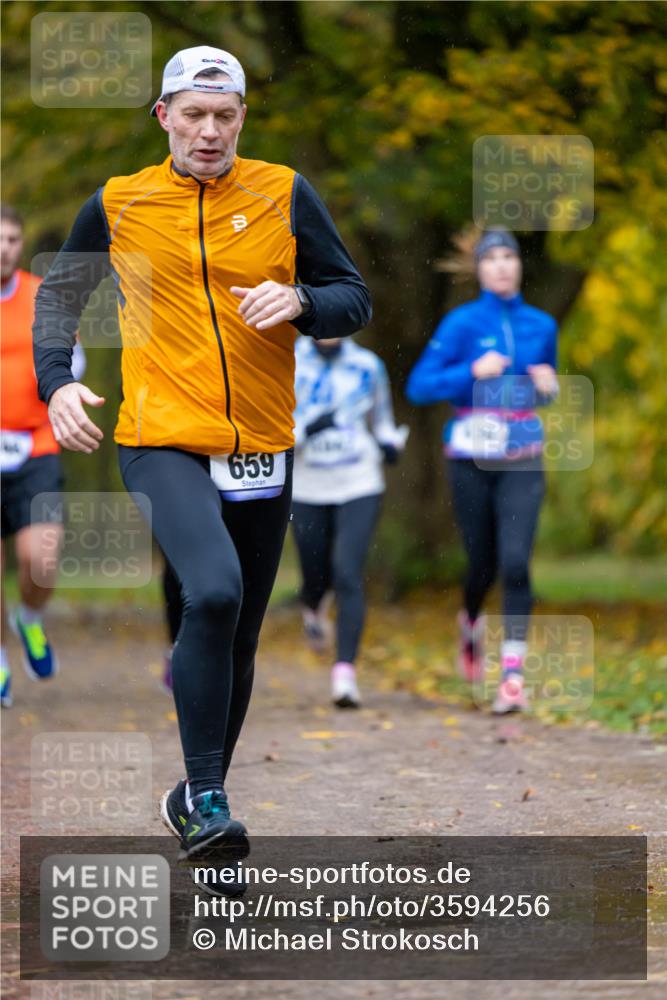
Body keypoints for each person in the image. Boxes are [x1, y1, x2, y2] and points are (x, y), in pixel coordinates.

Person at [33, 46, 371, 861]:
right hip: (161, 440)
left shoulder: (285, 191)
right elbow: (61, 293)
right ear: (164, 117)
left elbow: (351, 299)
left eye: (225, 115)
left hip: (262, 444)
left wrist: (299, 299)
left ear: (243, 118)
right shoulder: (119, 202)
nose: (209, 131)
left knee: (243, 632)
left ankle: (196, 799)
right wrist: (57, 384)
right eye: (194, 114)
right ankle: (210, 795)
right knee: (211, 595)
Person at [406, 228, 558, 714]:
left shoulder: (542, 325)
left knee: (516, 561)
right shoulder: (460, 324)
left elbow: (544, 387)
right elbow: (419, 387)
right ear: (479, 269)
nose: (501, 265)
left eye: (508, 256)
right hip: (471, 456)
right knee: (482, 564)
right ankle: (470, 622)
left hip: (522, 455)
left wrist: (549, 387)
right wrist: (472, 370)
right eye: (490, 258)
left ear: (519, 264)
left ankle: (512, 674)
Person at [291, 336, 407, 708]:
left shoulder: (367, 365)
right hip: (306, 485)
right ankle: (313, 606)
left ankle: (345, 673)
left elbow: (382, 420)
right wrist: (306, 430)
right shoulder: (287, 360)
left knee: (347, 571)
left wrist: (390, 444)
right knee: (315, 574)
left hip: (359, 481)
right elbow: (270, 428)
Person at [1, 204, 85, 708]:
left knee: (41, 558)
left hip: (36, 444)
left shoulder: (41, 297)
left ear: (20, 243)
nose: (3, 247)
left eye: (11, 238)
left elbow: (71, 362)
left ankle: (29, 619)